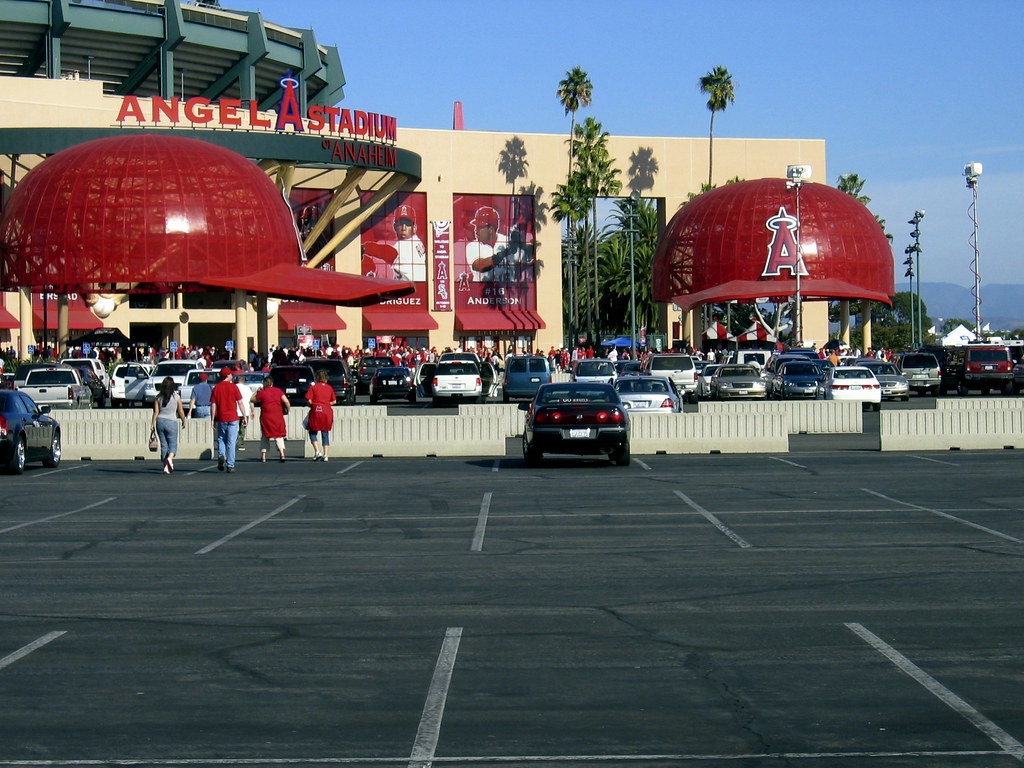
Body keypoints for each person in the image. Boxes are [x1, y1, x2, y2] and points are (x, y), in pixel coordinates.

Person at [466, 206, 532, 282]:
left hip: (508, 291)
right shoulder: (472, 246)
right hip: (482, 291)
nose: (475, 230)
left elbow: (534, 254)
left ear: (490, 229)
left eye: (479, 227)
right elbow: (480, 266)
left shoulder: (507, 240)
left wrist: (521, 245)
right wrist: (506, 252)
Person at [210, 366, 247, 472]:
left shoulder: (216, 388)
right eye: (231, 374)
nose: (232, 376)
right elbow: (240, 403)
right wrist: (244, 416)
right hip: (233, 417)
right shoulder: (234, 387)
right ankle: (230, 464)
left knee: (221, 438)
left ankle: (221, 455)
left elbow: (213, 405)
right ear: (227, 375)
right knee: (231, 441)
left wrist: (213, 419)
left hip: (221, 417)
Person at [150, 376, 186, 474]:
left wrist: (152, 423)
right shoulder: (176, 397)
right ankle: (169, 459)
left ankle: (166, 466)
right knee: (173, 443)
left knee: (164, 444)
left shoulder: (158, 397)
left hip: (160, 421)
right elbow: (181, 411)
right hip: (172, 421)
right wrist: (184, 420)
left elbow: (156, 412)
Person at [251, 375, 290, 463]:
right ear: (272, 383)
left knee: (265, 435)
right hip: (277, 415)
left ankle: (264, 455)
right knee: (278, 435)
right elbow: (286, 401)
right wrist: (287, 410)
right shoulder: (278, 391)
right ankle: (282, 453)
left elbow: (252, 399)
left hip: (266, 416)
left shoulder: (262, 392)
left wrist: (257, 392)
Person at [305, 368, 336, 461]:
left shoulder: (313, 387)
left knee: (312, 431)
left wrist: (313, 404)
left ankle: (317, 451)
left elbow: (309, 400)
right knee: (325, 432)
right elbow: (334, 401)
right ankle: (326, 454)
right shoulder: (329, 388)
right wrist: (326, 403)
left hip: (316, 411)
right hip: (327, 411)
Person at [391, 203, 427, 281]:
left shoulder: (400, 246)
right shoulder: (417, 240)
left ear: (414, 227)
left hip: (409, 287)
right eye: (401, 224)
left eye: (407, 224)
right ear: (395, 227)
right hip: (421, 286)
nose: (404, 228)